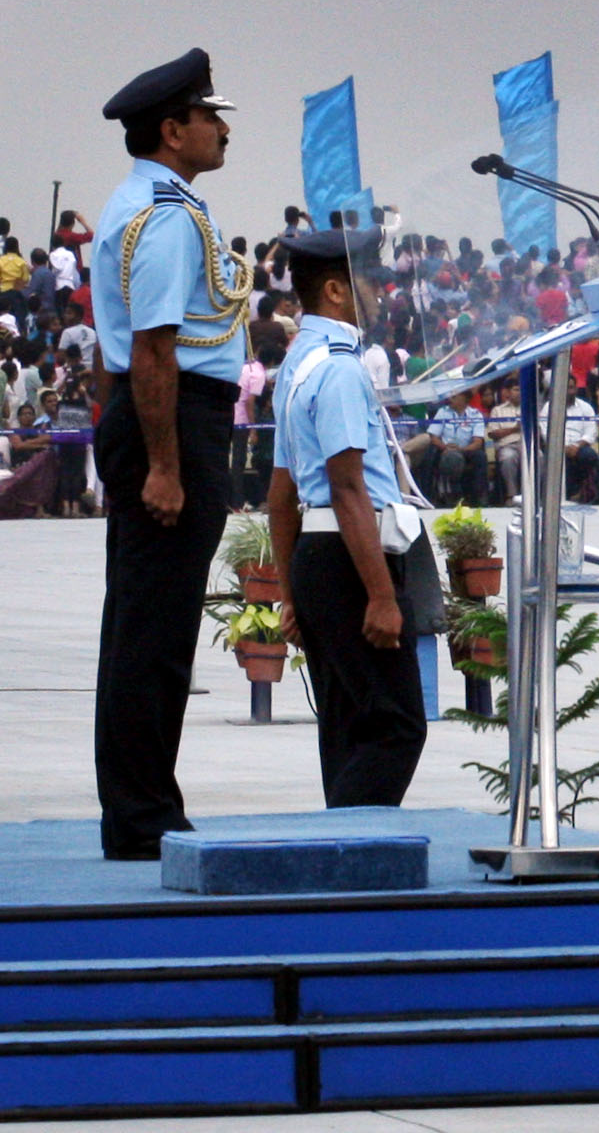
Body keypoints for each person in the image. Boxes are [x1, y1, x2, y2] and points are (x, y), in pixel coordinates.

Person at [89, 49, 250, 861]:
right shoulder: (164, 216)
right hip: (174, 419)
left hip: (158, 414)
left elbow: (119, 357)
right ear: (171, 129)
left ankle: (140, 808)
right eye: (209, 117)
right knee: (153, 630)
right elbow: (151, 349)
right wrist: (160, 464)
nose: (222, 130)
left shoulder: (140, 206)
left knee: (143, 623)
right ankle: (143, 816)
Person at [265, 228, 426, 809]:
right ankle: (352, 846)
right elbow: (349, 489)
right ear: (335, 290)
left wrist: (291, 593)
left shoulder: (298, 364)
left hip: (320, 559)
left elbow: (280, 497)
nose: (377, 293)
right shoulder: (336, 368)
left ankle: (344, 857)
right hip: (353, 559)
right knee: (396, 725)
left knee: (348, 725)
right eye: (366, 281)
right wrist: (381, 596)